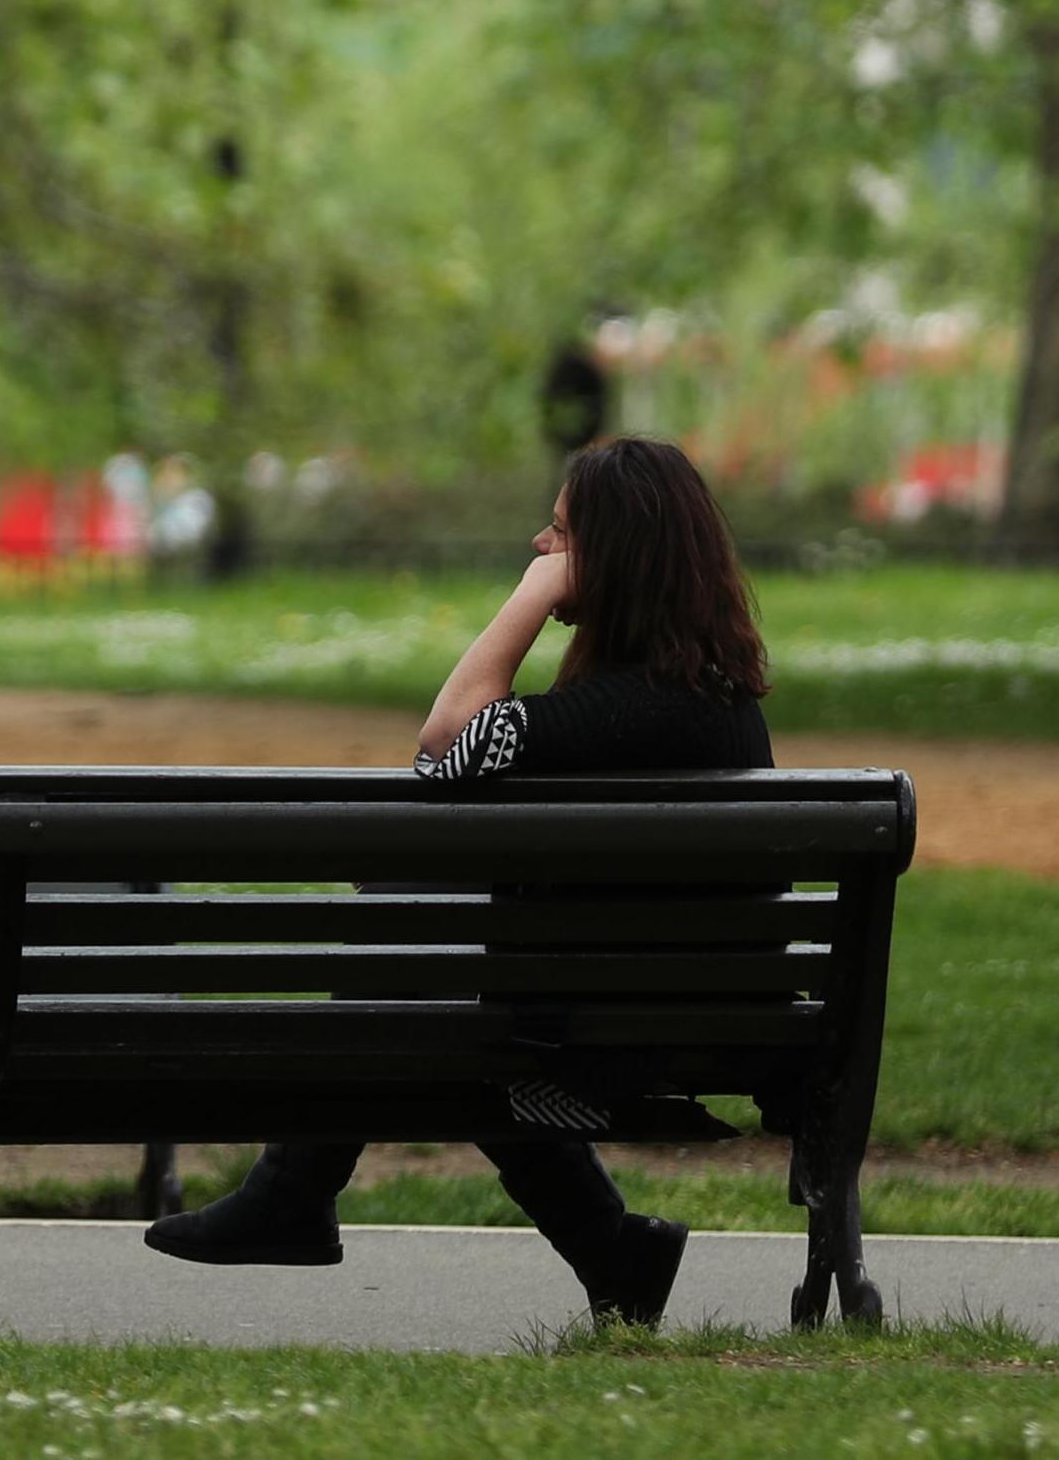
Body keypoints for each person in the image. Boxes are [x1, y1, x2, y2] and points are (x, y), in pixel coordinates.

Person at [144, 436, 773, 1327]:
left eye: (559, 535)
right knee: (415, 935)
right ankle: (613, 1254)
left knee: (417, 961)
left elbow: (444, 748)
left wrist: (531, 597)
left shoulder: (637, 708)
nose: (539, 546)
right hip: (675, 1021)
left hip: (615, 1052)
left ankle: (294, 1189)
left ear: (613, 555)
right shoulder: (705, 695)